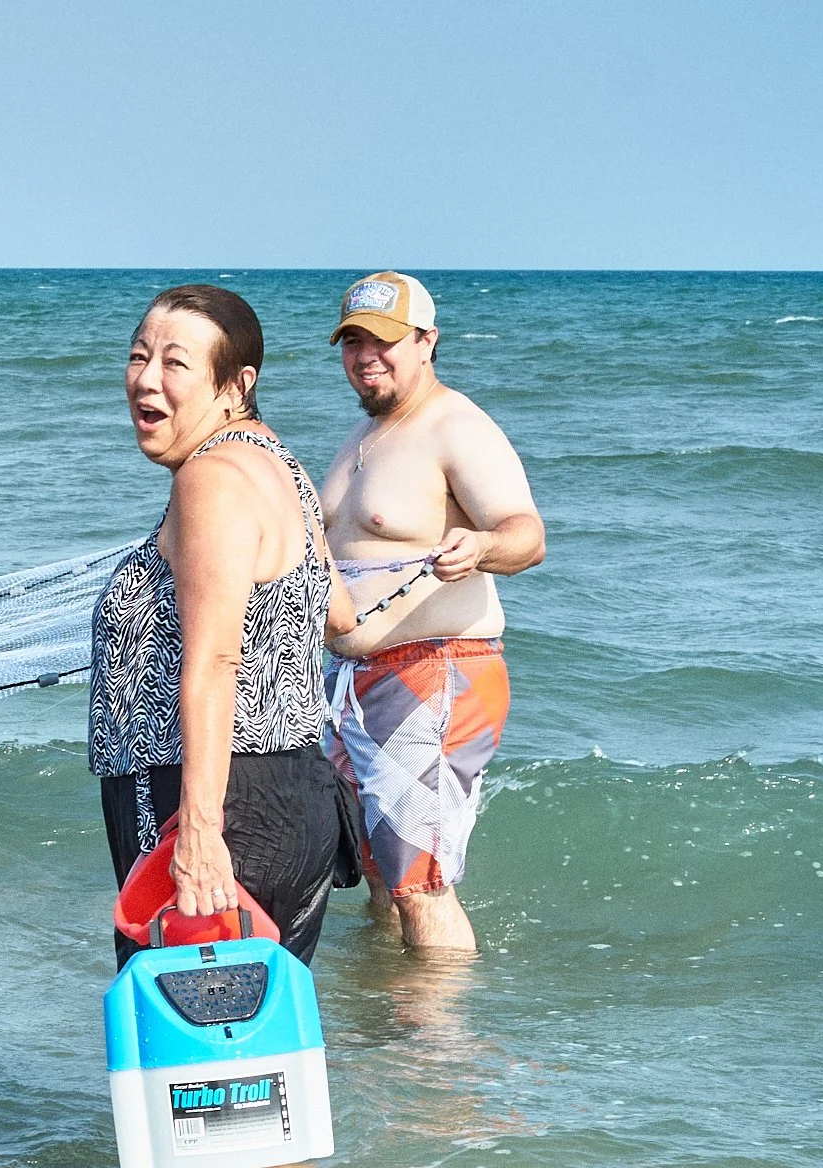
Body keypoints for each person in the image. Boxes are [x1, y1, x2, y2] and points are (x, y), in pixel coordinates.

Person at [90, 285, 361, 968]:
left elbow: (214, 660)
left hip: (214, 808)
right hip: (295, 802)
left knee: (181, 1060)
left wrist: (201, 833)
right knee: (258, 1063)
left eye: (175, 363)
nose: (146, 378)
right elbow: (341, 617)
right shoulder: (287, 472)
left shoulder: (209, 478)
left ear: (236, 384)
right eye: (137, 356)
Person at [320, 272, 546, 953]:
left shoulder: (455, 425)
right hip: (354, 683)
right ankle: (390, 1029)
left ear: (427, 341)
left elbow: (526, 534)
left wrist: (481, 545)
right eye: (353, 342)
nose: (367, 357)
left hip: (434, 673)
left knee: (420, 884)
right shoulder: (362, 435)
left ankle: (441, 1053)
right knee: (384, 877)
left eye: (385, 342)